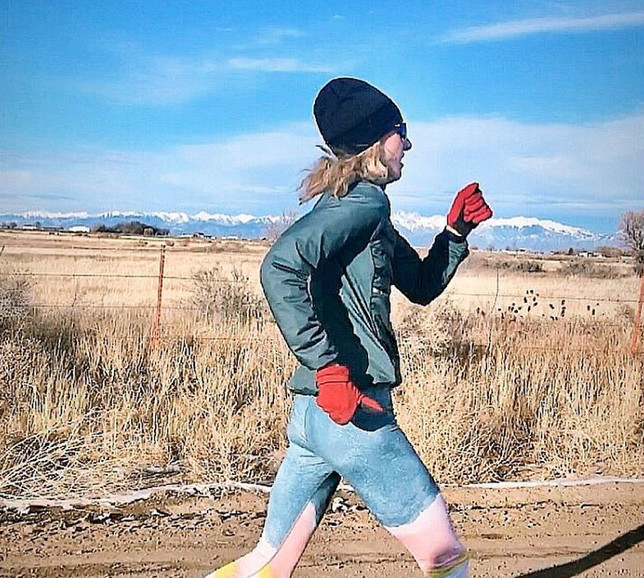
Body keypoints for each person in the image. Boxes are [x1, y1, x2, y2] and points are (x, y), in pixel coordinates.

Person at [205, 77, 492, 578]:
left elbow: (420, 284)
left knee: (267, 564)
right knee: (444, 557)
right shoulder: (365, 204)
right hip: (352, 411)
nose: (408, 144)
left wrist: (454, 233)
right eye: (401, 132)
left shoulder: (359, 208)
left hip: (314, 415)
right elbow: (280, 267)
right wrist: (329, 367)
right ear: (377, 141)